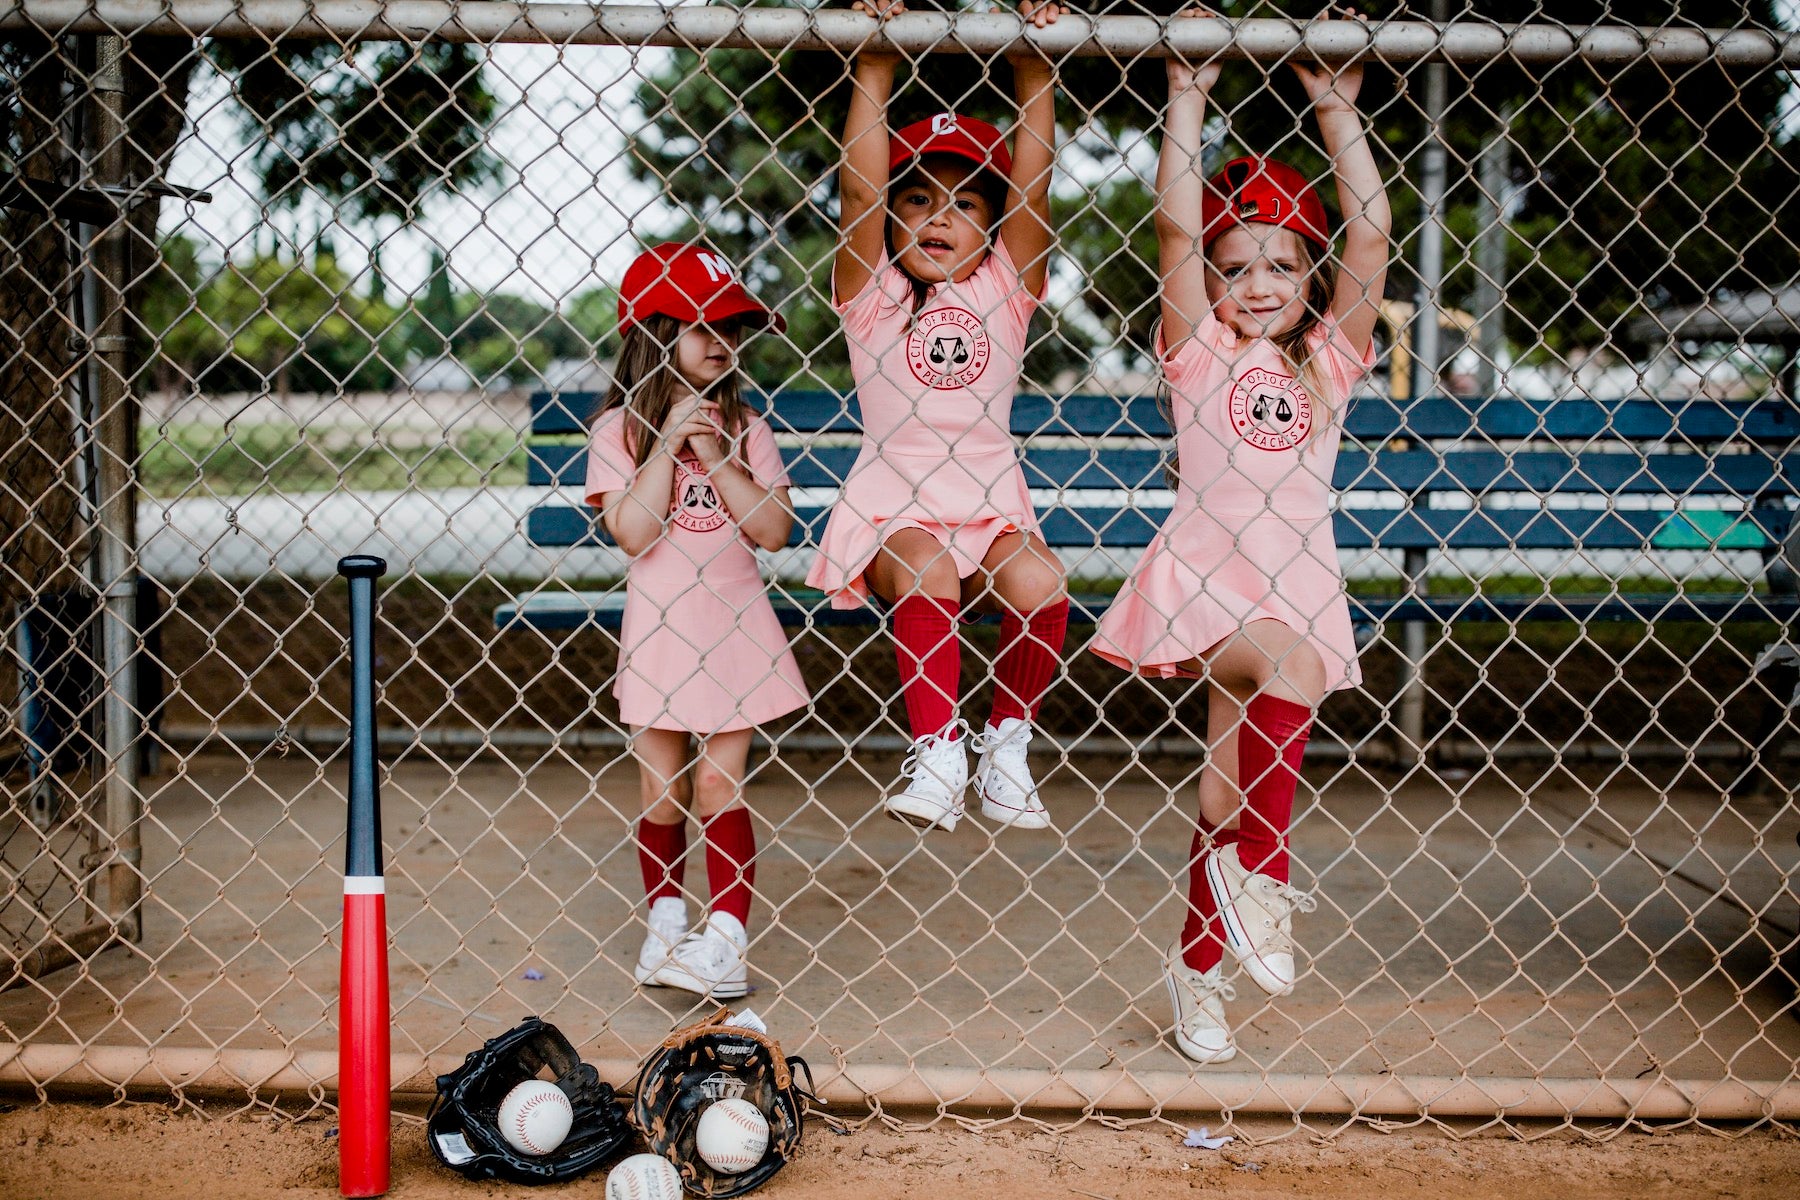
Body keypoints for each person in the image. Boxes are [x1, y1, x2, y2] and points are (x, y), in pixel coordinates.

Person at [1092, 9, 1391, 1062]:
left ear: (1307, 281)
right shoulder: (1201, 355)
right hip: (1211, 587)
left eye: (1280, 265)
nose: (1259, 283)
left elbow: (1372, 235)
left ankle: (1197, 970)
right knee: (1293, 665)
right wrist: (1187, 92)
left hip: (1294, 578)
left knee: (1222, 793)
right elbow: (1172, 228)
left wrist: (1337, 107)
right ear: (1212, 284)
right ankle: (1266, 875)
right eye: (1236, 266)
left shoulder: (1329, 366)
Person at [807, 0, 1071, 833]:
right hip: (898, 509)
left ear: (992, 226)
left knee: (1041, 580)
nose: (938, 218)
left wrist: (1037, 73)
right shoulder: (874, 296)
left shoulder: (1005, 290)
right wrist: (875, 62)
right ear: (890, 216)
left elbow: (1035, 184)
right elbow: (857, 183)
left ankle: (1006, 746)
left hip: (988, 503)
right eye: (916, 199)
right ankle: (939, 748)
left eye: (964, 203)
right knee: (926, 570)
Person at [584, 243, 810, 1000]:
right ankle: (668, 921)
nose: (722, 341)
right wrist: (670, 440)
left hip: (737, 628)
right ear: (652, 333)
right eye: (701, 324)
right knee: (661, 794)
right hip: (660, 635)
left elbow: (775, 530)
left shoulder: (747, 426)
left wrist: (714, 451)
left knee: (718, 784)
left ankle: (728, 939)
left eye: (733, 328)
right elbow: (635, 531)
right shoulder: (617, 431)